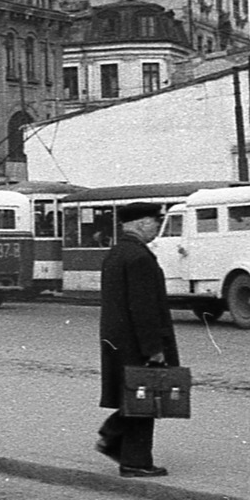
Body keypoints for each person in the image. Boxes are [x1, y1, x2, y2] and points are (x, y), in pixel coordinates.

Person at [96, 202, 179, 478]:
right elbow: (144, 308)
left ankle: (119, 445)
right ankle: (133, 458)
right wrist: (153, 348)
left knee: (136, 396)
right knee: (144, 398)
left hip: (118, 339)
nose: (157, 227)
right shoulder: (140, 257)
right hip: (136, 341)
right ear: (142, 223)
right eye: (155, 221)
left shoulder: (117, 253)